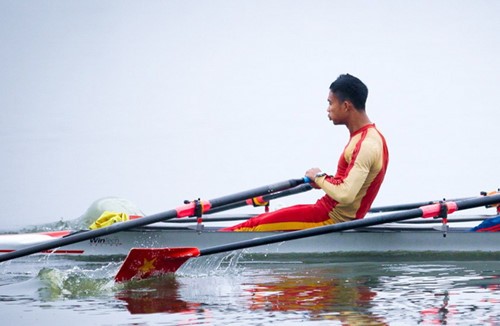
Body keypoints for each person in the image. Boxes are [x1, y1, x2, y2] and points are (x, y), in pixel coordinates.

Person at [221, 74, 389, 232]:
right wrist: (325, 182)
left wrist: (320, 177)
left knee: (253, 225)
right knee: (264, 218)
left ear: (346, 106)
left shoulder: (365, 144)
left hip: (329, 219)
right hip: (329, 213)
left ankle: (205, 245)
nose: (327, 109)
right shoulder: (371, 137)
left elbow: (346, 194)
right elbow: (350, 185)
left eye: (330, 103)